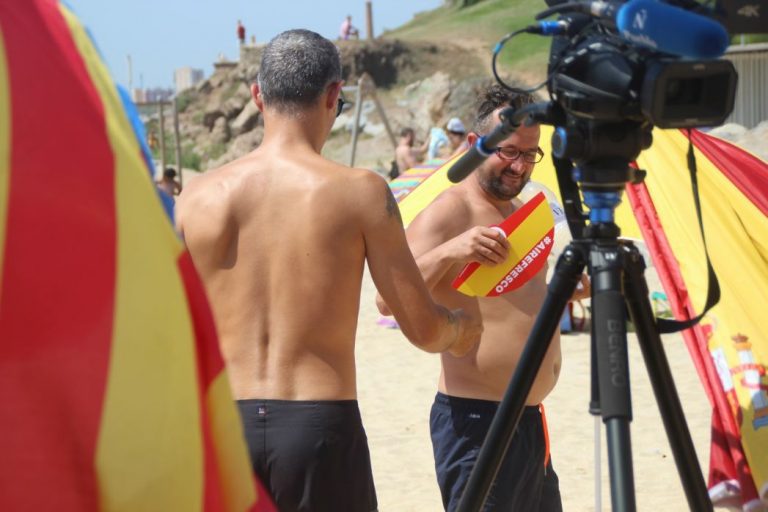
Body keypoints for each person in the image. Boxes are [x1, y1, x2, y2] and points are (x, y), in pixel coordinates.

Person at [175, 29, 482, 512]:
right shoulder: (358, 191)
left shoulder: (195, 197)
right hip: (318, 425)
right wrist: (462, 331)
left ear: (258, 97)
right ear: (334, 95)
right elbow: (422, 329)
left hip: (219, 427)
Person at [378, 84, 588, 511]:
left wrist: (567, 291)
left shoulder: (521, 210)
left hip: (529, 421)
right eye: (509, 152)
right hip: (476, 421)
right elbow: (388, 298)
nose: (519, 166)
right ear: (476, 144)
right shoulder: (449, 209)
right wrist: (452, 250)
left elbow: (515, 301)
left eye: (530, 155)